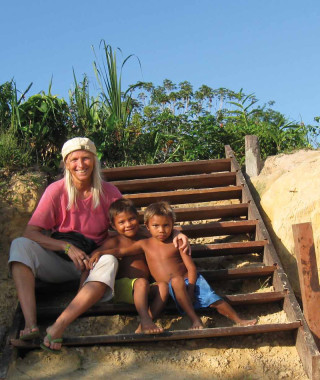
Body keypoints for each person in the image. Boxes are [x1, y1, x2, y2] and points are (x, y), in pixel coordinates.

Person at [8, 138, 189, 353]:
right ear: (67, 163)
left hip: (93, 262)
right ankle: (30, 325)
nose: (81, 164)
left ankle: (59, 326)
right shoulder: (55, 191)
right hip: (60, 260)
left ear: (94, 161)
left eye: (86, 158)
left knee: (110, 260)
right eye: (74, 159)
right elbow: (31, 232)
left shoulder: (109, 192)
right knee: (20, 245)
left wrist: (176, 232)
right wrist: (65, 247)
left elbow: (131, 224)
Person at [91, 201, 257, 330]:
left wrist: (191, 288)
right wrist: (100, 253)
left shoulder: (176, 242)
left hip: (190, 281)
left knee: (214, 300)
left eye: (166, 226)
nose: (161, 230)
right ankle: (190, 319)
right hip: (171, 286)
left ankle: (238, 320)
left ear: (172, 225)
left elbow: (191, 268)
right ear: (147, 227)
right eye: (156, 226)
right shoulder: (145, 243)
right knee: (175, 283)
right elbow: (122, 251)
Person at [88, 198, 168, 334]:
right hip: (123, 288)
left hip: (145, 287)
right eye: (121, 222)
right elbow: (94, 257)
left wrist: (179, 235)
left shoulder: (146, 236)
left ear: (138, 218)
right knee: (141, 283)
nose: (128, 224)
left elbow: (169, 234)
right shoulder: (115, 242)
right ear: (113, 226)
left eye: (131, 219)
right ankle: (146, 320)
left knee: (164, 287)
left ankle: (146, 321)